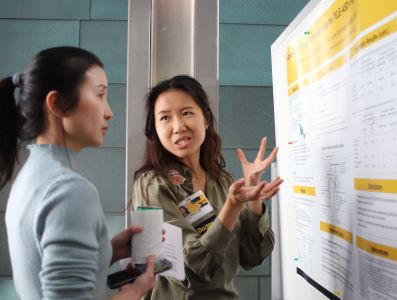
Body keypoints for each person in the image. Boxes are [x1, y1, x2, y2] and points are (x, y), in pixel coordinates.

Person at [0, 46, 155, 300]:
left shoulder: (31, 177)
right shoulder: (68, 189)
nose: (109, 111)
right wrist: (138, 290)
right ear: (56, 103)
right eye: (100, 94)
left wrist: (108, 249)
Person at [131, 75, 283, 299]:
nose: (178, 126)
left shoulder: (221, 179)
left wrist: (252, 196)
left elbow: (252, 256)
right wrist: (232, 205)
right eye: (165, 117)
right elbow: (191, 270)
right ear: (154, 129)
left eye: (186, 113)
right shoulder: (152, 184)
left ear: (206, 119)